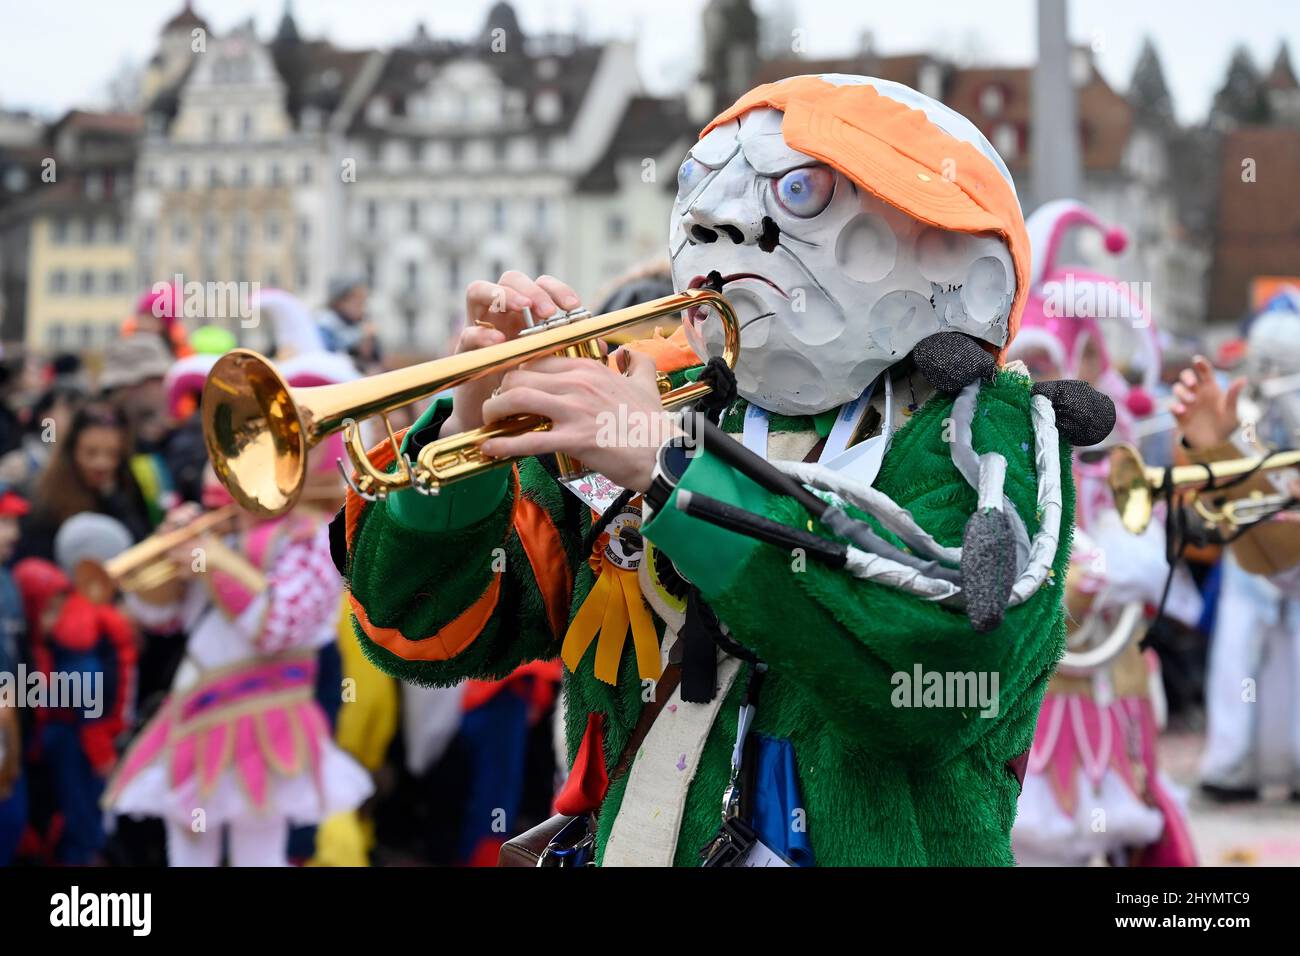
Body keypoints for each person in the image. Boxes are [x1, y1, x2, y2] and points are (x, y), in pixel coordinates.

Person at [336, 75, 1113, 865]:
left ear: (953, 256)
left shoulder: (985, 439)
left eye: (799, 190)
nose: (715, 218)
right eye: (700, 184)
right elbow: (426, 633)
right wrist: (470, 432)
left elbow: (937, 686)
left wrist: (675, 475)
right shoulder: (674, 396)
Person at [103, 304, 372, 867]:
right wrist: (168, 567)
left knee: (261, 851)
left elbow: (278, 625)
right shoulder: (226, 524)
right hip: (197, 707)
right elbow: (169, 619)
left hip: (273, 714)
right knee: (187, 850)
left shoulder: (317, 537)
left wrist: (209, 561)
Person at [1007, 200, 1198, 866]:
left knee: (1107, 831)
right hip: (1022, 678)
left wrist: (1093, 573)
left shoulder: (1117, 461)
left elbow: (1145, 555)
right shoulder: (1000, 459)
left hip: (1103, 678)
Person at [1173, 302, 1300, 801]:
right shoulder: (1241, 409)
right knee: (1237, 665)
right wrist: (1214, 448)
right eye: (1267, 360)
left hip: (1284, 561)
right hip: (1249, 568)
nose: (1273, 372)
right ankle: (1231, 766)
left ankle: (1285, 764)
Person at [13, 514, 139, 865]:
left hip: (82, 739)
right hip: (79, 742)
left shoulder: (89, 616)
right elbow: (87, 696)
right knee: (84, 821)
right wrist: (101, 752)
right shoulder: (82, 626)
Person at [15, 404, 153, 564]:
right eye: (91, 452)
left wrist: (114, 498)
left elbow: (141, 543)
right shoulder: (45, 499)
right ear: (72, 452)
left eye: (112, 454)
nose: (102, 463)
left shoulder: (126, 487)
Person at [0, 486, 30, 865]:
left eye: (13, 521)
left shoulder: (8, 580)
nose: (13, 533)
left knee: (12, 823)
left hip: (10, 728)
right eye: (3, 522)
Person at [0, 385, 82, 499]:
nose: (74, 417)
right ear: (45, 417)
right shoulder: (20, 462)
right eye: (68, 410)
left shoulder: (80, 458)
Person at [318, 275, 381, 370]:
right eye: (358, 302)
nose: (362, 307)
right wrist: (360, 334)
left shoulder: (360, 322)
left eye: (363, 302)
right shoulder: (325, 321)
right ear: (340, 302)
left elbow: (376, 359)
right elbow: (329, 351)